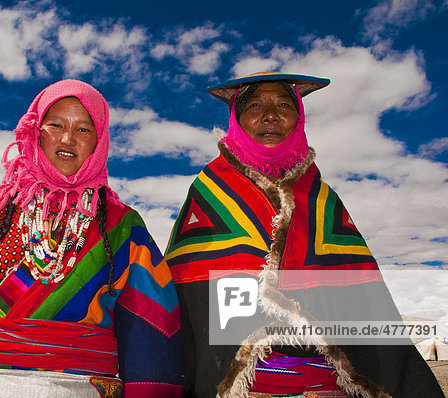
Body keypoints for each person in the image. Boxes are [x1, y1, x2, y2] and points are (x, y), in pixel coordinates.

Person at [164, 72, 444, 397]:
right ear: (237, 119)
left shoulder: (323, 200)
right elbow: (187, 298)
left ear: (298, 118)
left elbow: (365, 298)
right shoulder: (208, 193)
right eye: (255, 105)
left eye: (283, 104)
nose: (270, 115)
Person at [0, 79, 183, 398]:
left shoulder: (122, 224)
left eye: (84, 129)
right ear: (35, 131)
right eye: (55, 124)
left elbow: (148, 318)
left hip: (82, 386)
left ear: (100, 141)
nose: (68, 138)